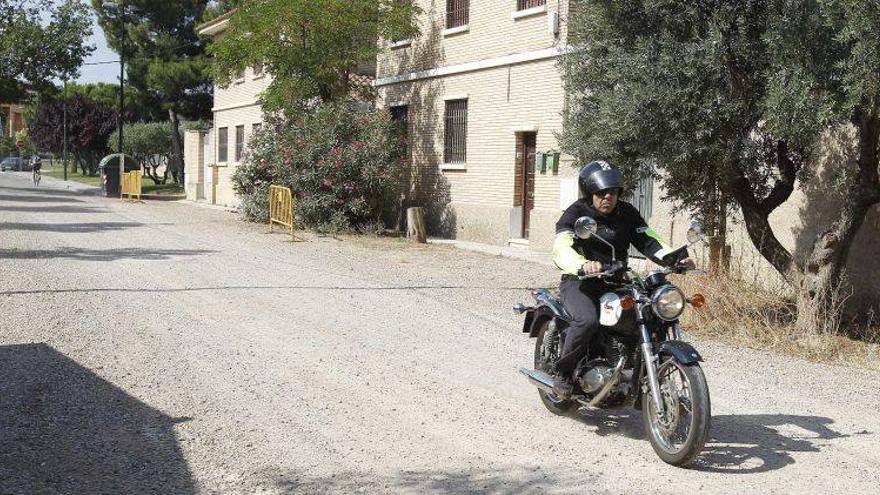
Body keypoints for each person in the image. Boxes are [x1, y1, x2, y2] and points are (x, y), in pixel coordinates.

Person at [550, 160, 695, 398]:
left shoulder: (627, 213)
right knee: (587, 321)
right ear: (590, 192)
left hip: (618, 281)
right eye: (602, 192)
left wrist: (675, 259)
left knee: (651, 314)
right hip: (581, 283)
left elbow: (649, 240)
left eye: (613, 191)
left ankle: (635, 372)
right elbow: (561, 248)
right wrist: (582, 264)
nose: (608, 196)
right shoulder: (576, 214)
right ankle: (564, 373)